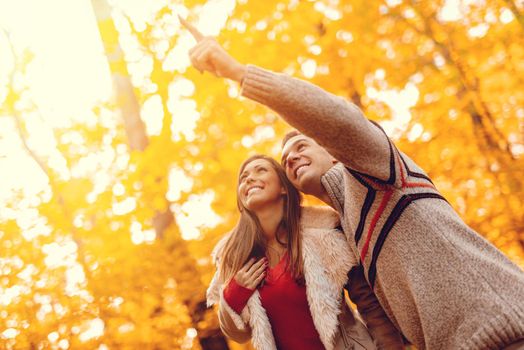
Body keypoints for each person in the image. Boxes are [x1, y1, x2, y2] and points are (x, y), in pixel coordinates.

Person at [180, 17, 524, 350]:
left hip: (504, 328)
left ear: (333, 152)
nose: (291, 159)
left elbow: (336, 120)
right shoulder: (347, 224)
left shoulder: (374, 170)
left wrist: (239, 73)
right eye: (285, 159)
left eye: (302, 146)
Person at [206, 155, 404, 349]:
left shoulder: (323, 235)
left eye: (261, 170)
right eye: (243, 177)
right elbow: (238, 335)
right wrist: (234, 294)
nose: (249, 178)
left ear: (284, 187)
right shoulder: (236, 256)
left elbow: (368, 303)